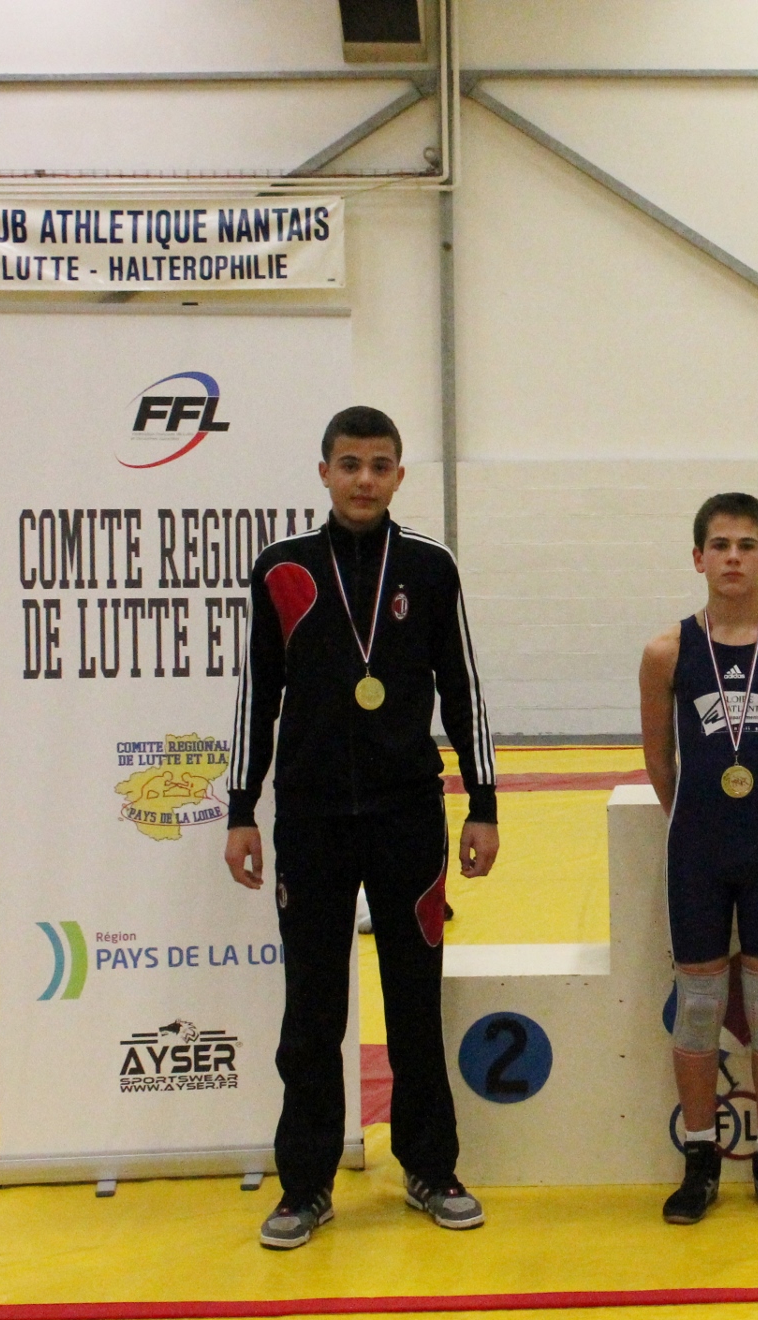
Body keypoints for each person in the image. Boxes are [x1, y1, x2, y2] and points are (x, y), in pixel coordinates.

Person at [224, 405, 500, 1250]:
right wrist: (241, 807)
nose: (364, 480)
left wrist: (484, 802)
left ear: (400, 476)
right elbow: (255, 695)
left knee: (415, 999)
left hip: (408, 815)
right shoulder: (282, 568)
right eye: (350, 464)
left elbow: (464, 688)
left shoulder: (430, 566)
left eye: (380, 465)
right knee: (312, 1009)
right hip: (310, 819)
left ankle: (430, 1166)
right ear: (324, 472)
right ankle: (305, 1184)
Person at [637, 493, 758, 1225]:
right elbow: (661, 765)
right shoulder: (668, 652)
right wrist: (698, 823)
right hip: (698, 850)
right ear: (698, 558)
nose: (733, 558)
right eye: (719, 545)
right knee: (698, 1006)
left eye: (748, 545)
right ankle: (700, 1160)